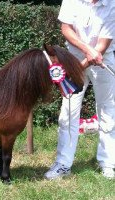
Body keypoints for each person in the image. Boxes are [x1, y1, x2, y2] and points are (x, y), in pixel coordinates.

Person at [44, 0, 115, 180]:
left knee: (108, 112)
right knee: (67, 113)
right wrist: (86, 52)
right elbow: (66, 28)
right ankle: (63, 164)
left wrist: (87, 59)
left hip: (103, 59)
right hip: (73, 59)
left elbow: (103, 44)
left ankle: (107, 163)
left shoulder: (112, 4)